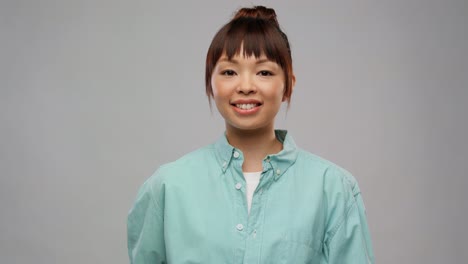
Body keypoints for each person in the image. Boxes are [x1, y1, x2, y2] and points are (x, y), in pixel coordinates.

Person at [127, 5, 374, 264]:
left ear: (288, 85)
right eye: (229, 72)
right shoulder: (167, 187)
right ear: (210, 84)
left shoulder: (333, 189)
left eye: (264, 72)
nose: (245, 87)